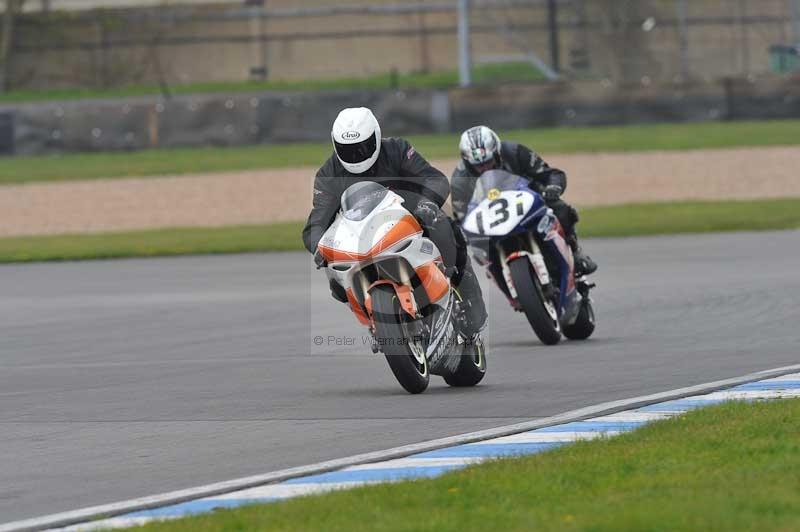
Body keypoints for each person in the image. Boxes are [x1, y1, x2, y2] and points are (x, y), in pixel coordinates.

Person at [302, 107, 487, 339]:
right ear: (335, 144)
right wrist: (319, 246)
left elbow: (433, 178)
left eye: (362, 147)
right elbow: (317, 220)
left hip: (409, 218)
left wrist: (426, 204)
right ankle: (373, 317)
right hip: (362, 237)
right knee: (334, 278)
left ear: (376, 137)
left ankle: (468, 293)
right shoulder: (328, 173)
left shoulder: (396, 149)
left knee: (445, 227)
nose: (356, 154)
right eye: (347, 150)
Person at [451, 125, 597, 277]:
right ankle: (500, 276)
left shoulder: (515, 152)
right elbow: (462, 216)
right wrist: (464, 233)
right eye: (478, 166)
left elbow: (551, 174)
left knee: (560, 208)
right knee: (480, 251)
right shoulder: (460, 180)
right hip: (492, 220)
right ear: (467, 163)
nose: (484, 168)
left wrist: (552, 188)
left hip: (528, 202)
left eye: (488, 162)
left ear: (497, 153)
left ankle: (575, 252)